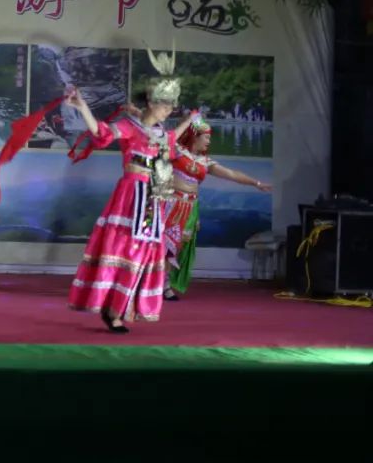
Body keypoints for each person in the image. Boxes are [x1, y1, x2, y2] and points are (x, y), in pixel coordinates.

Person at [67, 46, 195, 333]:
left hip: (152, 200)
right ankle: (110, 307)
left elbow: (171, 144)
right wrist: (83, 107)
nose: (168, 110)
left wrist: (187, 124)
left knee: (143, 252)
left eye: (172, 106)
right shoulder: (129, 127)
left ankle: (120, 309)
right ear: (151, 101)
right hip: (130, 197)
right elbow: (101, 133)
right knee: (121, 247)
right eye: (164, 104)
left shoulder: (163, 134)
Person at [156, 115, 273, 299]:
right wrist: (186, 120)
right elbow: (164, 138)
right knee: (163, 245)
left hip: (190, 207)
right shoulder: (177, 151)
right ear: (195, 136)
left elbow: (231, 174)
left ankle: (165, 283)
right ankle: (153, 282)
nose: (209, 141)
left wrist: (256, 183)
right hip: (172, 203)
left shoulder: (205, 162)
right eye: (206, 137)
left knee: (178, 248)